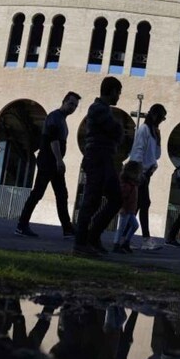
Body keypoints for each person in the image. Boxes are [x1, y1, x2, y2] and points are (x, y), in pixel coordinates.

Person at [15, 91, 80, 238]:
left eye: (75, 106)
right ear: (64, 101)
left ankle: (67, 229)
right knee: (38, 193)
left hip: (53, 164)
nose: (73, 108)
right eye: (71, 104)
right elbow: (53, 140)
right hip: (48, 162)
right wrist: (59, 160)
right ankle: (21, 225)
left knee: (61, 195)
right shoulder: (55, 117)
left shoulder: (62, 119)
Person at [73, 76, 124, 256]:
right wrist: (118, 130)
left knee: (116, 198)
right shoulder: (97, 109)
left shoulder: (104, 110)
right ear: (111, 91)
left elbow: (116, 132)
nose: (119, 97)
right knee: (91, 199)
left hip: (105, 159)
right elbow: (116, 130)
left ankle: (93, 237)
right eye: (118, 92)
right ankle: (80, 243)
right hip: (97, 158)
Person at [128, 103, 167, 251]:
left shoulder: (152, 132)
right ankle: (145, 239)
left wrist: (159, 139)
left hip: (147, 173)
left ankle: (125, 237)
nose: (162, 121)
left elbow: (156, 155)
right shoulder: (144, 130)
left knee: (137, 206)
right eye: (162, 118)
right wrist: (138, 173)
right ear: (155, 116)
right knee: (144, 204)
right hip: (141, 174)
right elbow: (138, 151)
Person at [113, 161, 142, 254]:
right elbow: (123, 197)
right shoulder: (127, 184)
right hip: (125, 209)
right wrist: (122, 208)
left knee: (135, 225)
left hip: (130, 210)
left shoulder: (133, 183)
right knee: (121, 227)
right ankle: (116, 244)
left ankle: (126, 243)